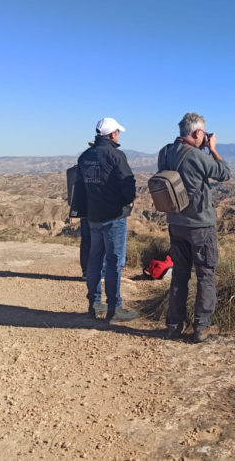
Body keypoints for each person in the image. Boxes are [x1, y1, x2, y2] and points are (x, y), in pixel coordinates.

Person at [158, 112, 230, 342]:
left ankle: (173, 324)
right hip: (200, 226)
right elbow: (224, 173)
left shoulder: (165, 152)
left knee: (179, 273)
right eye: (203, 133)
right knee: (206, 274)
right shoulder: (197, 157)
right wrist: (213, 149)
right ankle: (201, 326)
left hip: (175, 223)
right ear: (198, 132)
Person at [73, 117, 137, 323]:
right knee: (113, 262)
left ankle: (94, 304)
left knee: (94, 259)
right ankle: (114, 308)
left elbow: (79, 187)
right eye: (118, 132)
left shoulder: (85, 157)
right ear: (112, 134)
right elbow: (128, 184)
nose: (118, 135)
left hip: (93, 217)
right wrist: (129, 201)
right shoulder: (116, 155)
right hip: (113, 217)